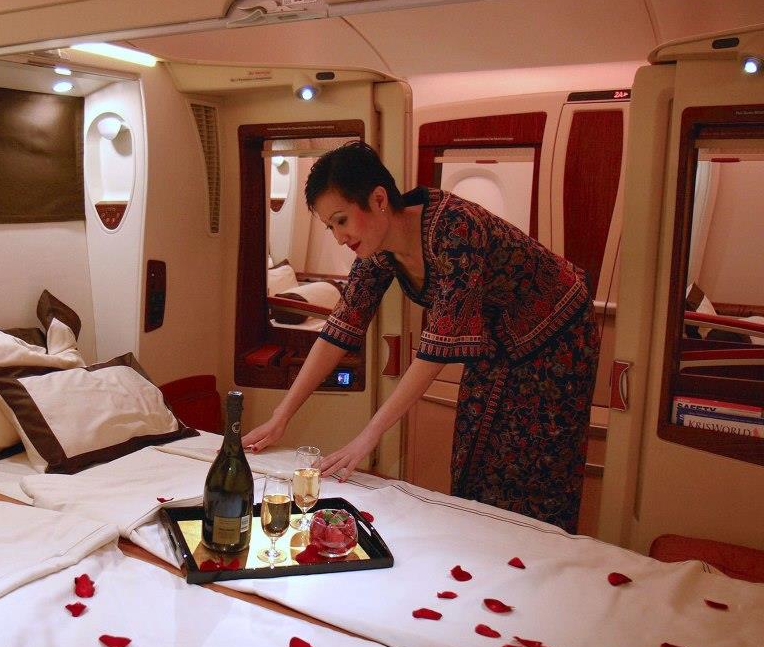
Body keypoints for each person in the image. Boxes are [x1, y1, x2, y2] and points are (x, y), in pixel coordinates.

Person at [242, 141, 599, 533]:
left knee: (529, 465)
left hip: (556, 333)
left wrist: (368, 437)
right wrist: (281, 416)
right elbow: (340, 329)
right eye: (330, 227)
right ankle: (482, 546)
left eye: (342, 220)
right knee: (474, 453)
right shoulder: (377, 250)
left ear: (379, 199)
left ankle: (537, 556)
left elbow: (435, 349)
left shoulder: (456, 228)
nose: (338, 237)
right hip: (500, 341)